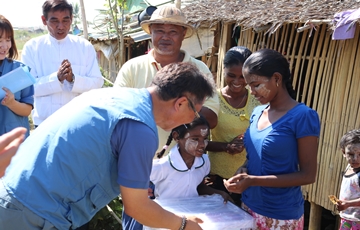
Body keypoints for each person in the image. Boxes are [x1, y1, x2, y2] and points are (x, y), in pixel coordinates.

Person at [0, 62, 214, 230]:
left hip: (12, 195)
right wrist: (184, 225)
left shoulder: (111, 95)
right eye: (194, 114)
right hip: (31, 214)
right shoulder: (139, 128)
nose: (189, 122)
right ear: (181, 103)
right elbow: (137, 207)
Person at [224, 49, 321, 229]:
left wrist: (253, 180)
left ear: (276, 78)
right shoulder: (257, 113)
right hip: (249, 206)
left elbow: (308, 175)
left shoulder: (303, 116)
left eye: (256, 85)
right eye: (249, 86)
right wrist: (243, 169)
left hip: (280, 215)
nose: (251, 92)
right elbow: (256, 156)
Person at [114, 5, 219, 154]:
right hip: (138, 156)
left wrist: (169, 109)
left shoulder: (199, 70)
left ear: (183, 34)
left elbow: (212, 119)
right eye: (159, 31)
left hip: (184, 163)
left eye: (173, 32)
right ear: (150, 31)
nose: (165, 37)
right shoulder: (131, 67)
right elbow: (118, 110)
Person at [123, 116, 233, 229]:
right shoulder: (162, 166)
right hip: (167, 221)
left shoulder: (204, 162)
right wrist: (143, 189)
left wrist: (220, 193)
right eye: (195, 139)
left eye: (205, 139)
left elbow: (199, 187)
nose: (202, 144)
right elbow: (132, 181)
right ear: (176, 137)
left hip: (192, 218)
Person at [21, 0, 103, 128]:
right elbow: (29, 88)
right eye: (54, 21)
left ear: (71, 19)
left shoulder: (84, 47)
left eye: (65, 20)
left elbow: (97, 84)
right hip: (44, 124)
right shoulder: (32, 48)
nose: (61, 26)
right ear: (44, 20)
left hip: (78, 123)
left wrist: (73, 79)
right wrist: (56, 79)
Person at [205, 46, 260, 207]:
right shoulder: (212, 99)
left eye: (243, 77)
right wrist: (225, 147)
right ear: (223, 70)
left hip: (250, 178)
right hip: (216, 179)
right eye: (231, 75)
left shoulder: (258, 100)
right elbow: (197, 141)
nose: (237, 82)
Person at [0, 15, 34, 137]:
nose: (4, 46)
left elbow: (27, 110)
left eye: (8, 40)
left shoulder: (20, 71)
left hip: (15, 144)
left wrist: (11, 103)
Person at [335, 129, 360, 229]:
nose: (355, 159)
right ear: (343, 152)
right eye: (350, 154)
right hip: (346, 218)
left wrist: (348, 204)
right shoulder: (348, 168)